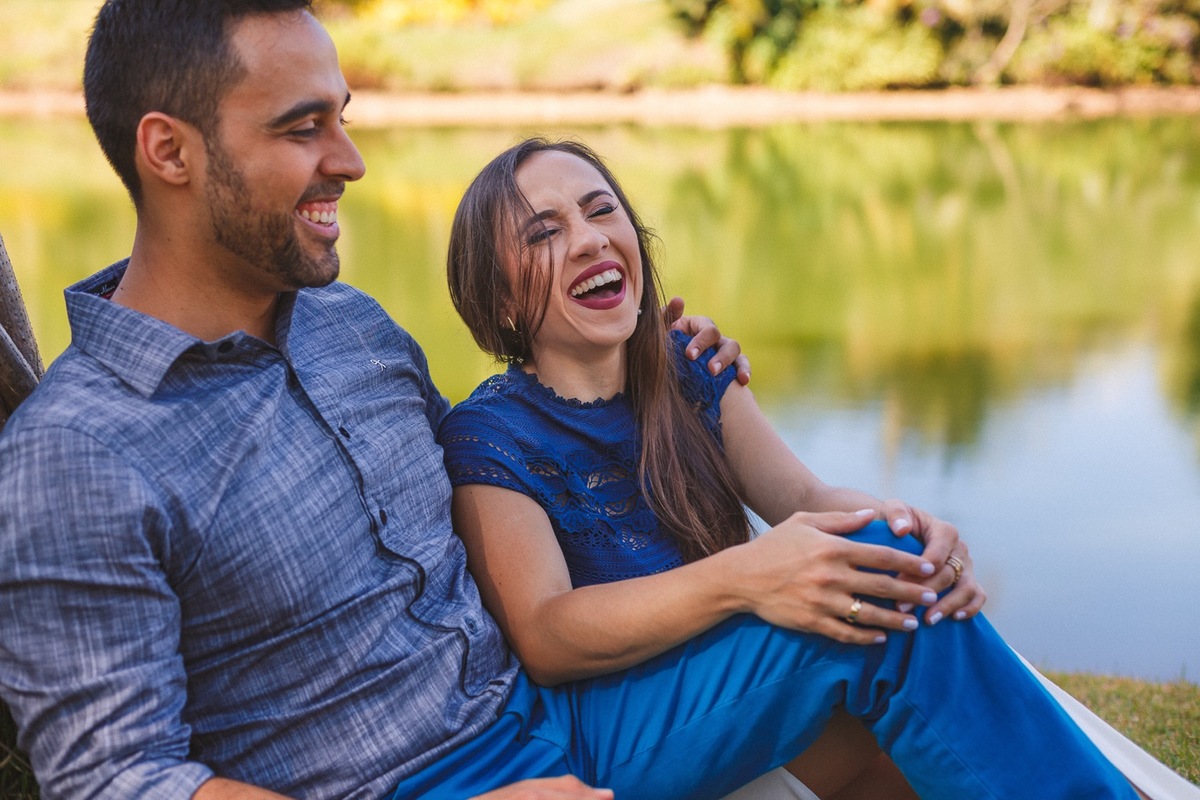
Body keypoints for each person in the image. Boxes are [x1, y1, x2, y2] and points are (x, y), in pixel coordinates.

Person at [0, 4, 742, 800]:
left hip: (570, 723)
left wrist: (651, 377)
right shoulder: (73, 453)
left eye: (342, 119)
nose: (350, 161)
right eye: (302, 128)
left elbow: (508, 474)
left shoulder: (350, 324)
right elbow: (116, 780)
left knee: (879, 592)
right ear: (169, 151)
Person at [429, 137, 1149, 800]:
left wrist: (906, 527)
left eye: (600, 209)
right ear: (498, 297)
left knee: (915, 649)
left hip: (735, 691)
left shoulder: (689, 366)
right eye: (545, 232)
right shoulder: (488, 434)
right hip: (614, 732)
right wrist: (747, 578)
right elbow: (547, 635)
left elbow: (805, 496)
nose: (588, 239)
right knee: (888, 603)